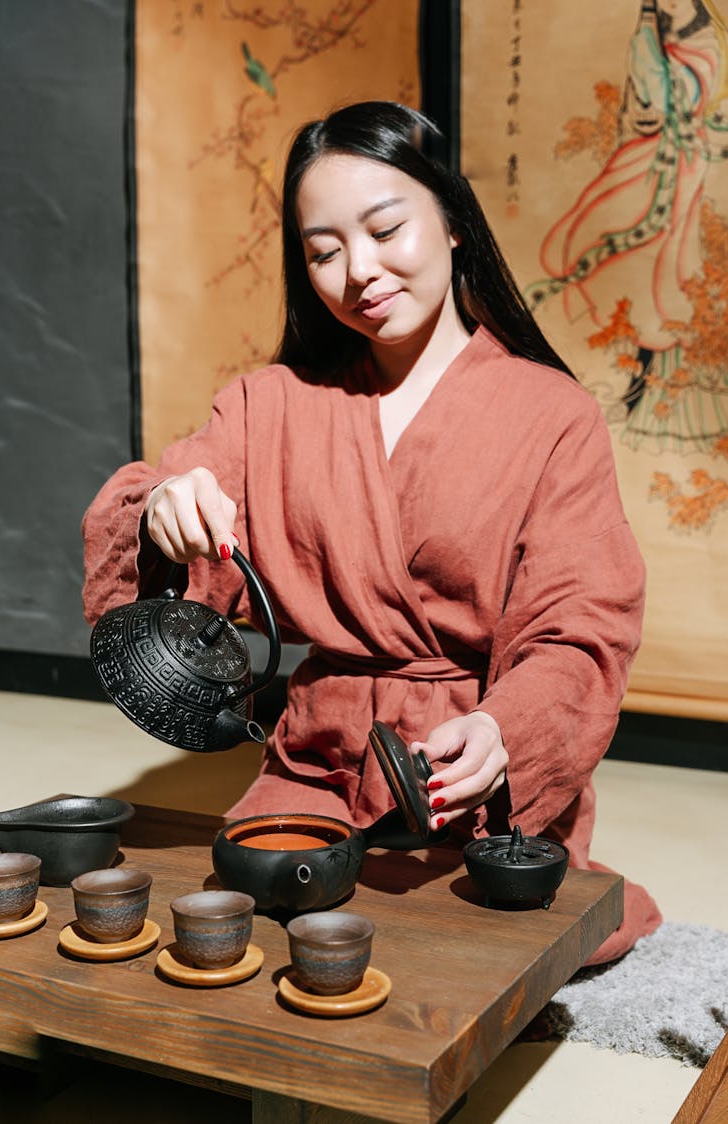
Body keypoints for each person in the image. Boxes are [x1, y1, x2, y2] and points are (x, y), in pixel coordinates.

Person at [82, 100, 661, 964]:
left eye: (387, 230)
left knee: (484, 949)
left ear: (454, 222)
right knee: (255, 918)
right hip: (321, 763)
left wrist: (506, 729)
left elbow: (581, 624)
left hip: (473, 773)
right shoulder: (267, 405)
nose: (360, 271)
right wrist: (165, 512)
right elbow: (163, 526)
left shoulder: (554, 415)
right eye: (323, 251)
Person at [527, 0, 728, 452]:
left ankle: (662, 398)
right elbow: (642, 104)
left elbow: (708, 101)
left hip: (691, 173)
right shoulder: (651, 36)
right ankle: (631, 390)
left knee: (676, 283)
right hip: (655, 164)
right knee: (609, 255)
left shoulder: (705, 39)